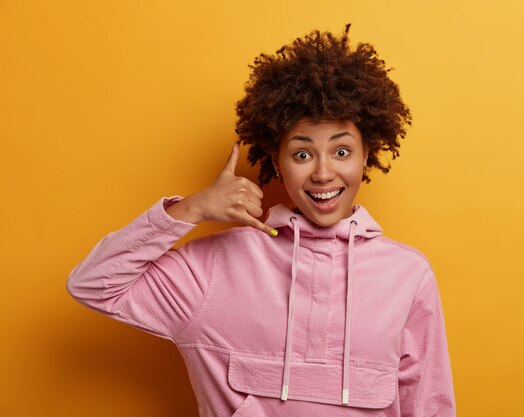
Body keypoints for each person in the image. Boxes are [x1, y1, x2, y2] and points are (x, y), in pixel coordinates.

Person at [67, 25, 456, 417]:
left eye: (341, 151)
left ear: (366, 156)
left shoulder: (408, 276)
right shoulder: (212, 268)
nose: (323, 173)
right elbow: (94, 284)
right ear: (276, 163)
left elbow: (430, 406)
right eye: (302, 155)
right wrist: (192, 209)